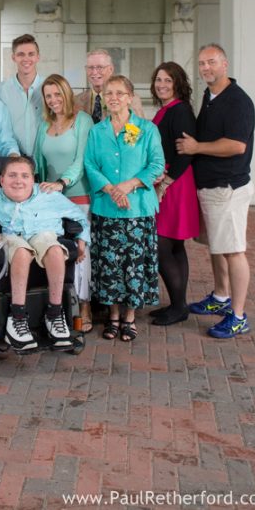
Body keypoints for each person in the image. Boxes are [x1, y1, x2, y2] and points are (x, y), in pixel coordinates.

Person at [0, 156, 90, 352]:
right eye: (12, 175)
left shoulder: (49, 195)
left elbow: (80, 218)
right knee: (21, 250)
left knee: (54, 248)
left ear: (33, 179)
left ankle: (54, 313)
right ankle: (17, 318)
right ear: (2, 180)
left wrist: (81, 243)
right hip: (12, 238)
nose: (18, 181)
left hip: (44, 235)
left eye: (24, 176)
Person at [176, 44, 255, 339]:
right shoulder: (211, 96)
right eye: (201, 63)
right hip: (210, 187)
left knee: (234, 251)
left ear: (225, 64)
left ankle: (237, 316)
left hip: (228, 187)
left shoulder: (238, 101)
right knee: (217, 246)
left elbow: (236, 145)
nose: (206, 68)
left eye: (211, 62)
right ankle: (221, 297)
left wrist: (197, 148)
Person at [84, 75, 164, 342]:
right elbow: (90, 165)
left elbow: (156, 164)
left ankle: (129, 318)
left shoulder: (145, 129)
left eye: (119, 93)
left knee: (134, 265)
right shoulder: (97, 131)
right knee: (109, 265)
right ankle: (113, 316)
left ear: (130, 97)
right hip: (106, 208)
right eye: (109, 93)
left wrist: (129, 185)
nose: (114, 98)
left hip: (137, 209)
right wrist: (110, 189)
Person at [33, 74, 94, 332]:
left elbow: (81, 159)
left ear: (67, 94)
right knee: (53, 251)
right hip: (51, 200)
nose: (53, 100)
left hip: (78, 196)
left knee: (80, 252)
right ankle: (56, 306)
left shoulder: (82, 121)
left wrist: (63, 182)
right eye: (49, 96)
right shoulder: (43, 125)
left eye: (58, 94)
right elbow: (37, 162)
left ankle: (84, 307)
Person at [148, 62, 200, 326]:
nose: (162, 85)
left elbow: (187, 152)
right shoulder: (166, 110)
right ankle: (177, 303)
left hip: (174, 183)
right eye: (159, 80)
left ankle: (179, 306)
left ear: (178, 83)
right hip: (169, 181)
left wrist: (165, 182)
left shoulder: (179, 111)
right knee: (175, 246)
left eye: (168, 80)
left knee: (161, 246)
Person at [0, 34, 43, 156]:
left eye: (31, 54)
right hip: (12, 160)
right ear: (13, 57)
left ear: (38, 57)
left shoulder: (49, 88)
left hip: (45, 162)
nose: (26, 59)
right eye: (21, 54)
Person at [76, 49, 145, 123]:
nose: (94, 72)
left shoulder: (130, 99)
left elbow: (139, 129)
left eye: (100, 67)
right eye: (90, 68)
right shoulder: (77, 100)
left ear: (111, 69)